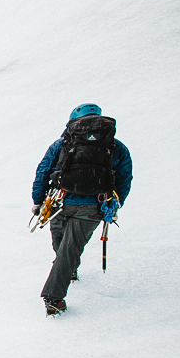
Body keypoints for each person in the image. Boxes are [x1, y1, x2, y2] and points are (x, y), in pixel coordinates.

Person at [31, 103, 133, 316]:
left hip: (60, 201)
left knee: (62, 245)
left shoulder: (61, 144)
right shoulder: (116, 146)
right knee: (69, 249)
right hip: (93, 205)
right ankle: (66, 272)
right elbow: (124, 177)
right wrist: (116, 203)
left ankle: (54, 296)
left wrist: (38, 200)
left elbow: (43, 171)